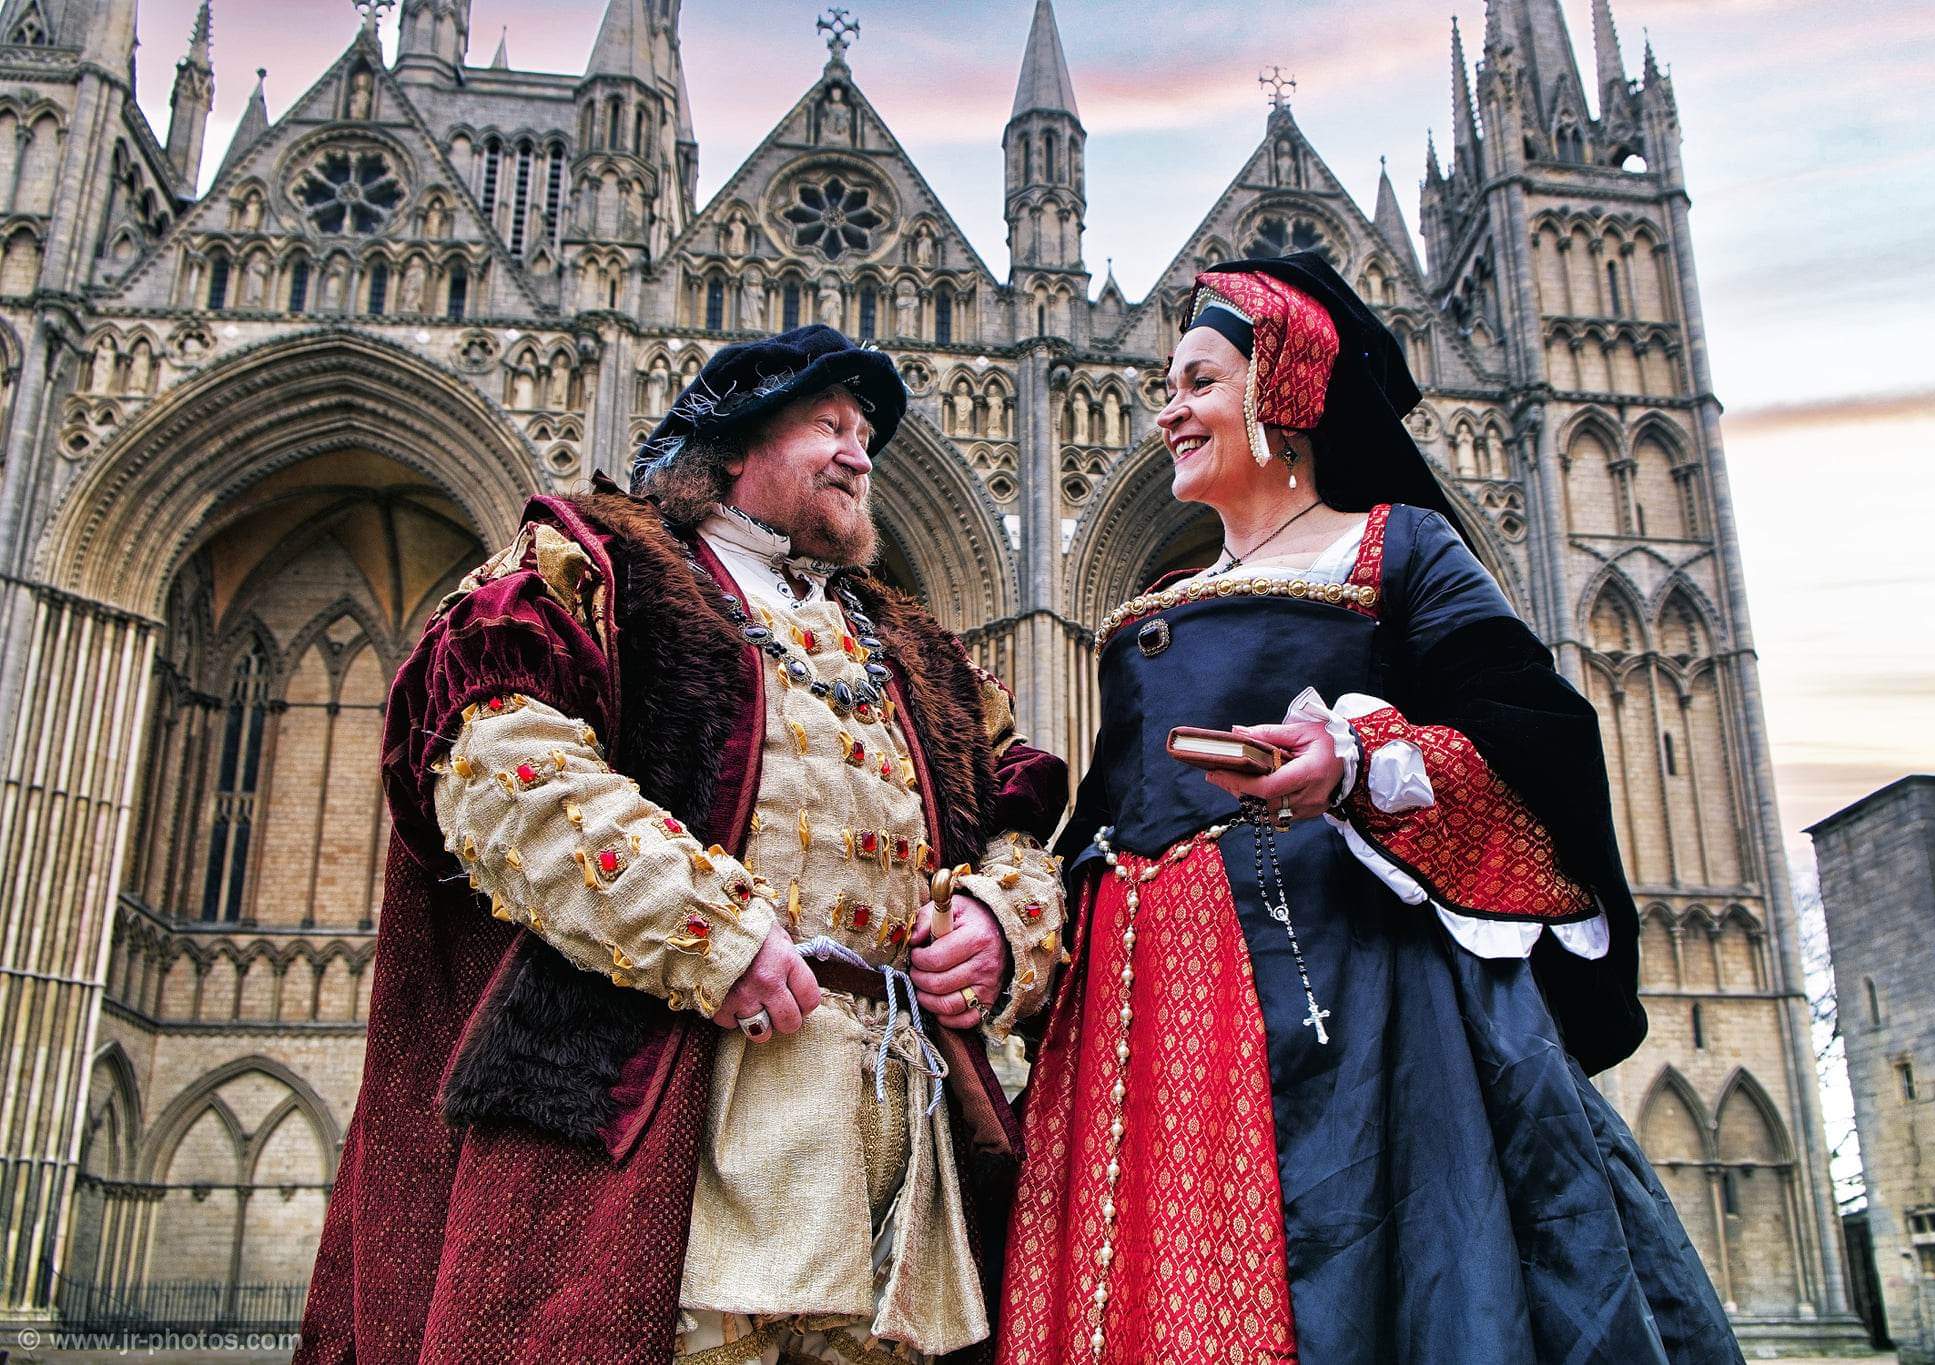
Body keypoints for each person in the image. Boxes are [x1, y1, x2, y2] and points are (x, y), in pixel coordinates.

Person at [996, 255, 1739, 1364]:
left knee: (1358, 1252)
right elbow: (1103, 818)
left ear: (1283, 396)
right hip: (1144, 993)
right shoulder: (1156, 605)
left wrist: (1357, 758)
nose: (1168, 409)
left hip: (1349, 982)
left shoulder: (1395, 546)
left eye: (1197, 380)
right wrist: (1006, 920)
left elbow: (1537, 739)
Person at [297, 325, 1069, 1364]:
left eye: (866, 437)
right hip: (664, 1094)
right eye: (829, 428)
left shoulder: (917, 648)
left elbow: (1021, 817)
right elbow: (495, 763)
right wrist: (712, 935)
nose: (860, 455)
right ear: (735, 448)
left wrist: (998, 921)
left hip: (896, 1114)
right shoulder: (597, 563)